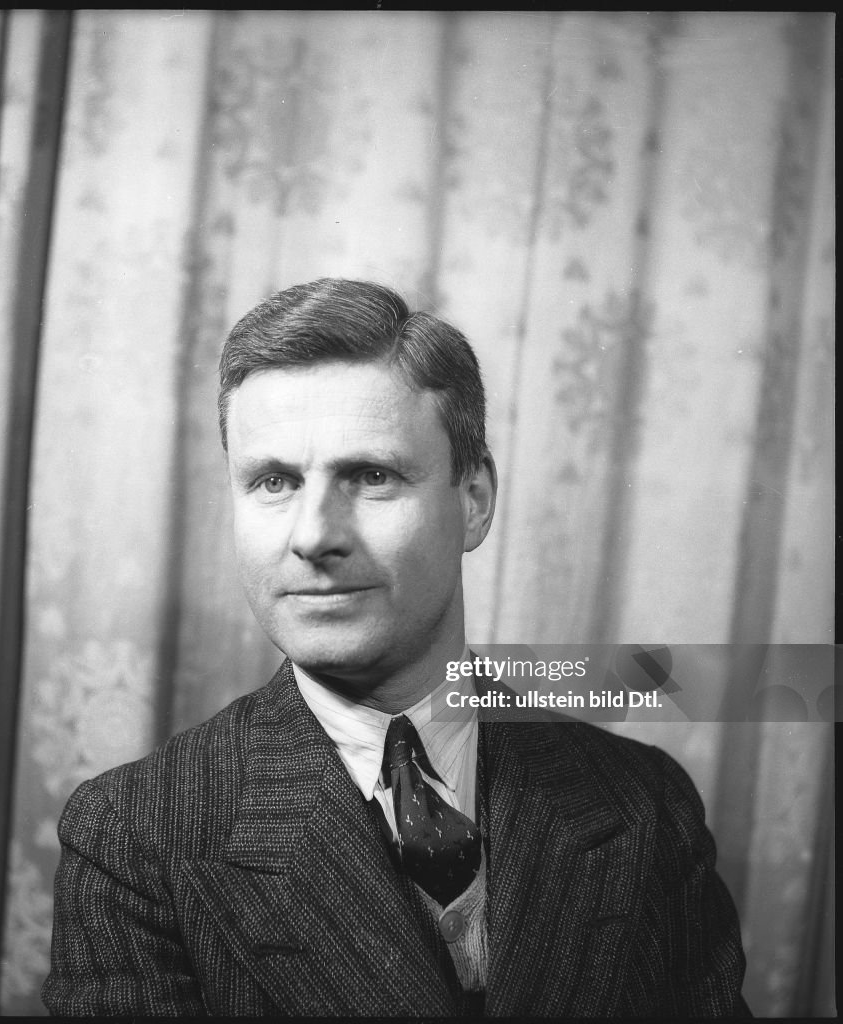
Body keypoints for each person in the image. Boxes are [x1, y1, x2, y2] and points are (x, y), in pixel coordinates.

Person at [42, 278, 749, 1017]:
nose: (314, 536)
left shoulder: (645, 804)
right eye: (274, 481)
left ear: (474, 501)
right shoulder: (134, 836)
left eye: (371, 476)